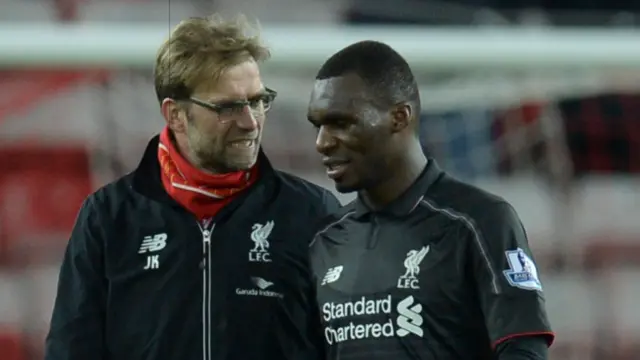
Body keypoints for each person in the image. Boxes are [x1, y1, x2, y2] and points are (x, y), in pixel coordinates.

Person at [45, 14, 339, 360]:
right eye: (228, 107)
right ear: (175, 115)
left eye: (259, 100)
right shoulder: (108, 218)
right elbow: (71, 350)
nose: (250, 122)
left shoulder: (313, 213)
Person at [306, 40, 554, 360]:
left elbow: (524, 352)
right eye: (318, 126)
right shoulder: (323, 240)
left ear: (399, 117)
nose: (322, 143)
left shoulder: (479, 222)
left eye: (341, 123)